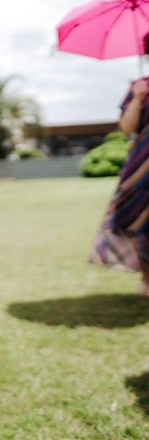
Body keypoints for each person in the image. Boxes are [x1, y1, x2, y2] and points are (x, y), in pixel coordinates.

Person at [90, 52, 149, 294]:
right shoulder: (139, 86)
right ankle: (147, 278)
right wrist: (138, 98)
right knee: (139, 220)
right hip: (141, 165)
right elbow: (127, 127)